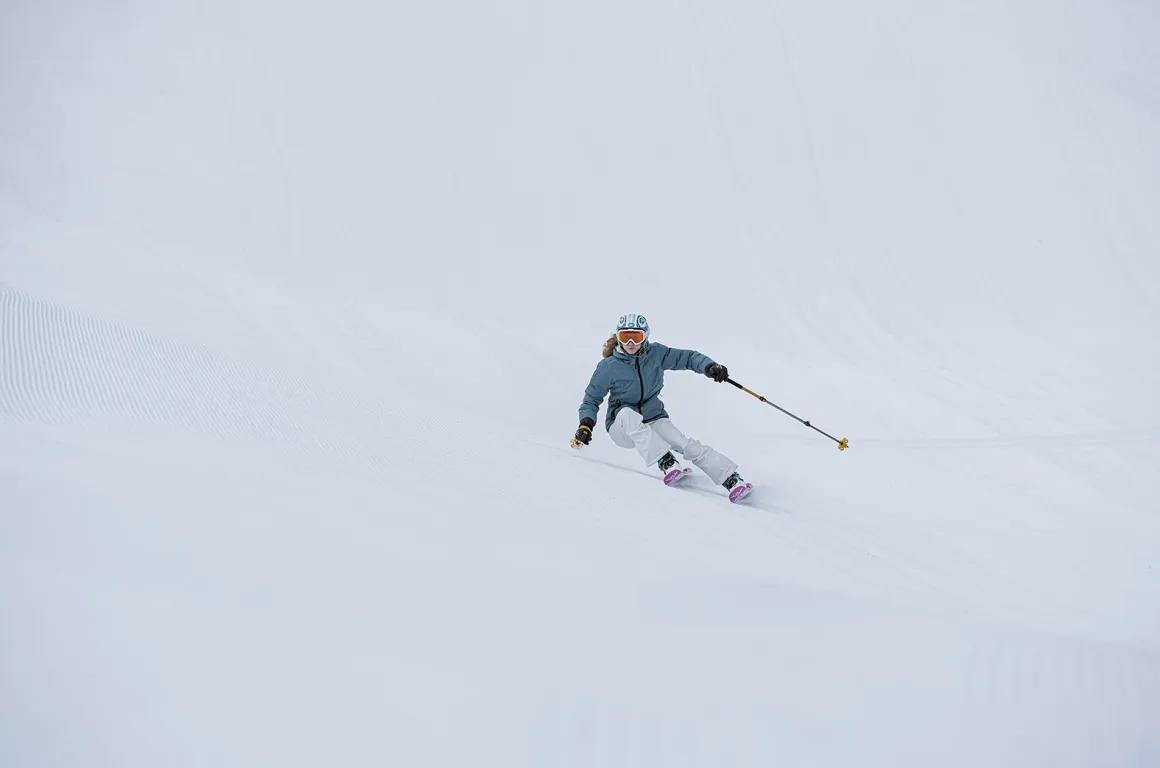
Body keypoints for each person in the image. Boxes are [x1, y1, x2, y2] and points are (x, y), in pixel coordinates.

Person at [570, 313, 750, 499]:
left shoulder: (656, 354)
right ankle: (665, 460)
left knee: (684, 443)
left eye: (636, 336)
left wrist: (709, 367)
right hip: (622, 428)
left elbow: (687, 358)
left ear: (645, 336)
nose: (630, 342)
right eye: (625, 336)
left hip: (653, 416)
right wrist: (586, 424)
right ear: (618, 337)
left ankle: (730, 478)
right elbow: (591, 398)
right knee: (626, 413)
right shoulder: (608, 366)